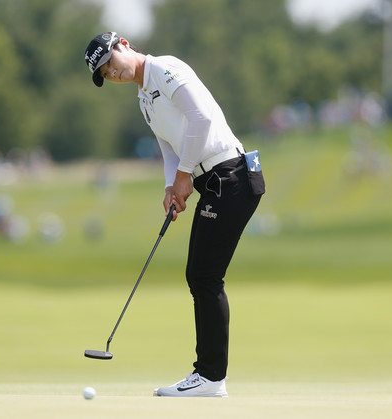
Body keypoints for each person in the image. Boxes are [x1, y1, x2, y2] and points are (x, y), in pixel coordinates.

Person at [84, 32, 265, 397]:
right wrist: (172, 185)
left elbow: (200, 118)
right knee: (201, 275)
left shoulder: (164, 69)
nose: (112, 73)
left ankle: (210, 378)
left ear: (123, 45)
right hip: (213, 182)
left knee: (204, 276)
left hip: (230, 175)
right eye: (104, 73)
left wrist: (184, 175)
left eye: (110, 63)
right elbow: (169, 147)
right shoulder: (144, 99)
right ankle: (210, 376)